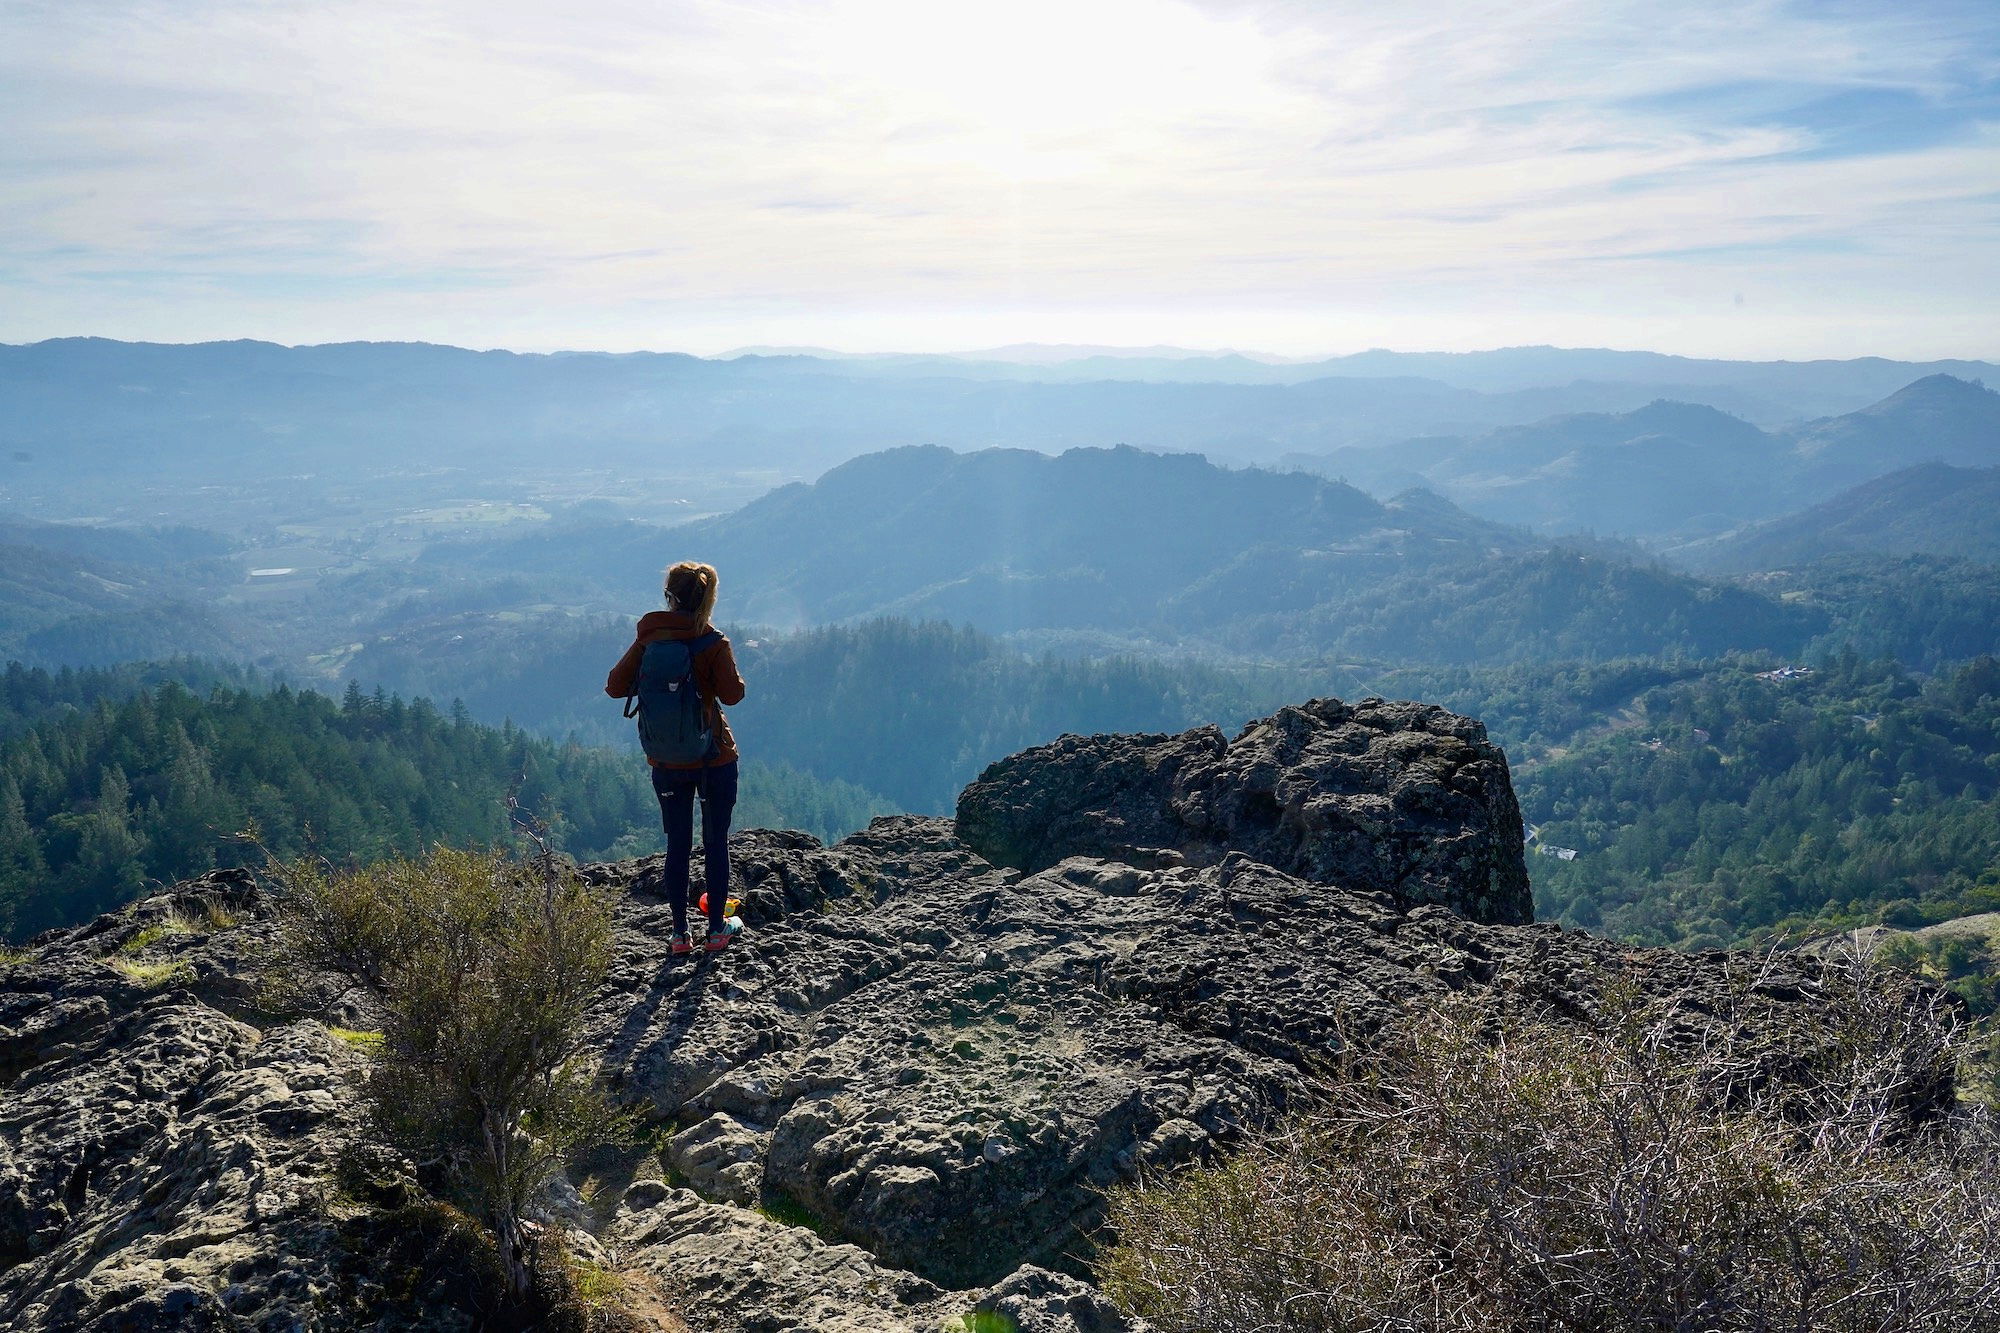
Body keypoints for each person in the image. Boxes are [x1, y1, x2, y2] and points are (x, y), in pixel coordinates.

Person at [605, 560, 747, 955]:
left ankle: (680, 934)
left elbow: (615, 687)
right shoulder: (712, 642)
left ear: (669, 596)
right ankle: (716, 930)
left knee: (677, 844)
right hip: (714, 757)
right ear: (707, 598)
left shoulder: (650, 639)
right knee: (715, 842)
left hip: (667, 762)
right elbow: (733, 694)